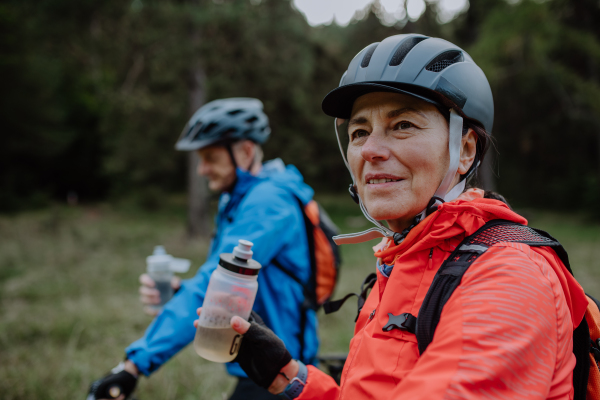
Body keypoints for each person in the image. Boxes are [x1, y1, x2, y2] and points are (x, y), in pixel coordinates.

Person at [196, 35, 589, 399]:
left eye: (402, 125)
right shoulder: (407, 256)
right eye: (359, 131)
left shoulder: (510, 278)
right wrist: (290, 378)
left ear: (465, 150)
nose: (370, 149)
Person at [87, 98, 319, 400]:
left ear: (246, 151)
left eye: (210, 157)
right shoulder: (240, 197)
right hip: (260, 360)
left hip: (281, 366)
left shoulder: (267, 204)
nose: (202, 169)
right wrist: (179, 289)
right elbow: (233, 285)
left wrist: (133, 365)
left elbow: (213, 286)